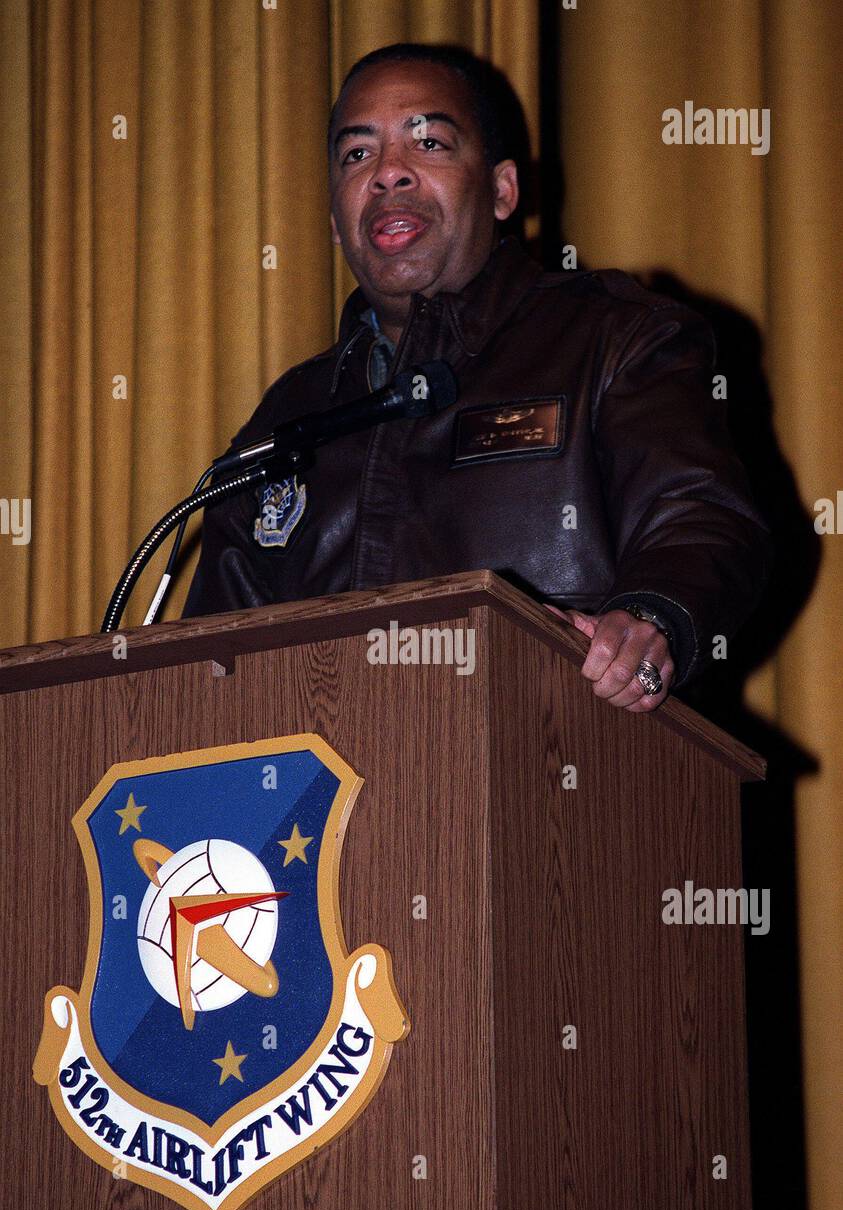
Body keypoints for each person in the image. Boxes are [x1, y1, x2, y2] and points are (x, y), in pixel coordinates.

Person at [184, 42, 770, 713]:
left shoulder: (609, 336)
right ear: (333, 220)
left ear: (500, 190)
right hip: (318, 806)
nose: (387, 175)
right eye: (357, 154)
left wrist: (652, 618)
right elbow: (210, 666)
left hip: (557, 766)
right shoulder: (288, 416)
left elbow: (699, 520)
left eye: (428, 142)